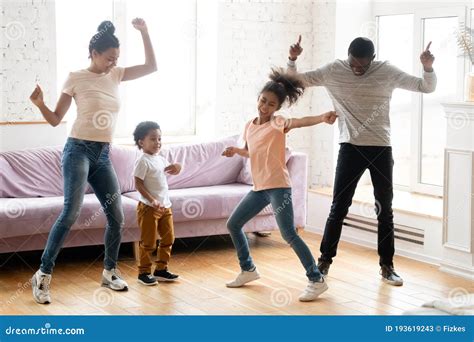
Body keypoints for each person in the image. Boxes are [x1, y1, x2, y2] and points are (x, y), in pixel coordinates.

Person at [287, 36, 437, 286]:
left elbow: (425, 87)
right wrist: (292, 60)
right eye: (353, 64)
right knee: (338, 207)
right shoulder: (334, 70)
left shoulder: (386, 71)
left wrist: (428, 67)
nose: (357, 69)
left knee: (384, 210)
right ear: (347, 56)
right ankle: (324, 261)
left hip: (381, 148)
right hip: (350, 148)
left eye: (363, 66)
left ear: (373, 60)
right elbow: (297, 80)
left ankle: (387, 266)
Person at [29, 18, 157, 304]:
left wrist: (145, 33)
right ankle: (43, 275)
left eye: (117, 59)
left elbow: (151, 67)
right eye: (109, 58)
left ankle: (109, 271)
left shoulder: (116, 74)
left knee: (116, 216)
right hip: (77, 150)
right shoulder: (75, 77)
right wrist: (39, 104)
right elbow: (54, 120)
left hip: (103, 154)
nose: (113, 63)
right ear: (94, 53)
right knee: (70, 213)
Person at [222, 68, 338, 302]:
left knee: (288, 235)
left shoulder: (278, 123)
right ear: (258, 99)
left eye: (271, 104)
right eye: (263, 101)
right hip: (260, 188)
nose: (264, 107)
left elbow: (301, 122)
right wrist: (236, 151)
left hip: (279, 187)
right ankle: (248, 269)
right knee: (234, 224)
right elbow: (251, 151)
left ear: (277, 108)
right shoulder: (250, 125)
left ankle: (316, 279)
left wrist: (321, 118)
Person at [132, 121, 181, 286]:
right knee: (149, 242)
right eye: (153, 139)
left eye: (159, 138)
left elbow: (170, 169)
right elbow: (138, 184)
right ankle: (143, 272)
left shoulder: (160, 159)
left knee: (169, 238)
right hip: (148, 208)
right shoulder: (142, 161)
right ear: (141, 142)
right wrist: (152, 200)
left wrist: (177, 167)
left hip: (165, 206)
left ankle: (161, 270)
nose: (158, 142)